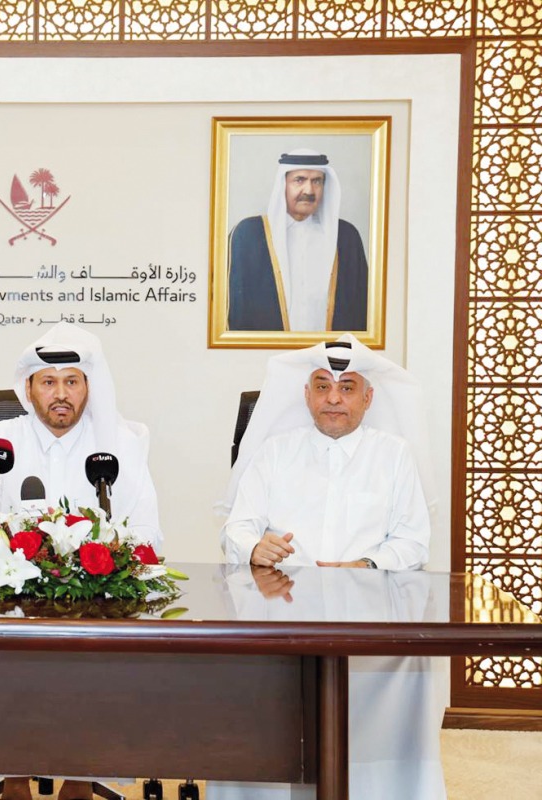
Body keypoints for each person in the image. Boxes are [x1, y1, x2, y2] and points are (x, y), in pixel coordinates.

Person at [215, 334, 446, 799]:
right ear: (306, 394)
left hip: (371, 613)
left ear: (368, 396)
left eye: (346, 388)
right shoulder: (275, 451)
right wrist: (255, 546)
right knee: (232, 667)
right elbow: (235, 530)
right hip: (280, 612)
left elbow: (413, 542)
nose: (333, 399)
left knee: (412, 662)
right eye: (322, 387)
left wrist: (364, 563)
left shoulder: (393, 454)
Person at [0, 322, 162, 800]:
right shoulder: (0, 440)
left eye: (72, 381)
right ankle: (13, 781)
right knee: (4, 659)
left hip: (93, 606)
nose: (60, 394)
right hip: (11, 603)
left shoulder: (120, 444)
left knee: (88, 665)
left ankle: (78, 780)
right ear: (27, 389)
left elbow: (148, 533)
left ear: (89, 387)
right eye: (48, 382)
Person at [227, 149, 368, 333]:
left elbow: (362, 308)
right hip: (266, 353)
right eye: (299, 180)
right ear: (282, 184)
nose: (309, 190)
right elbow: (232, 308)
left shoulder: (346, 236)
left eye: (317, 181)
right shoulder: (248, 234)